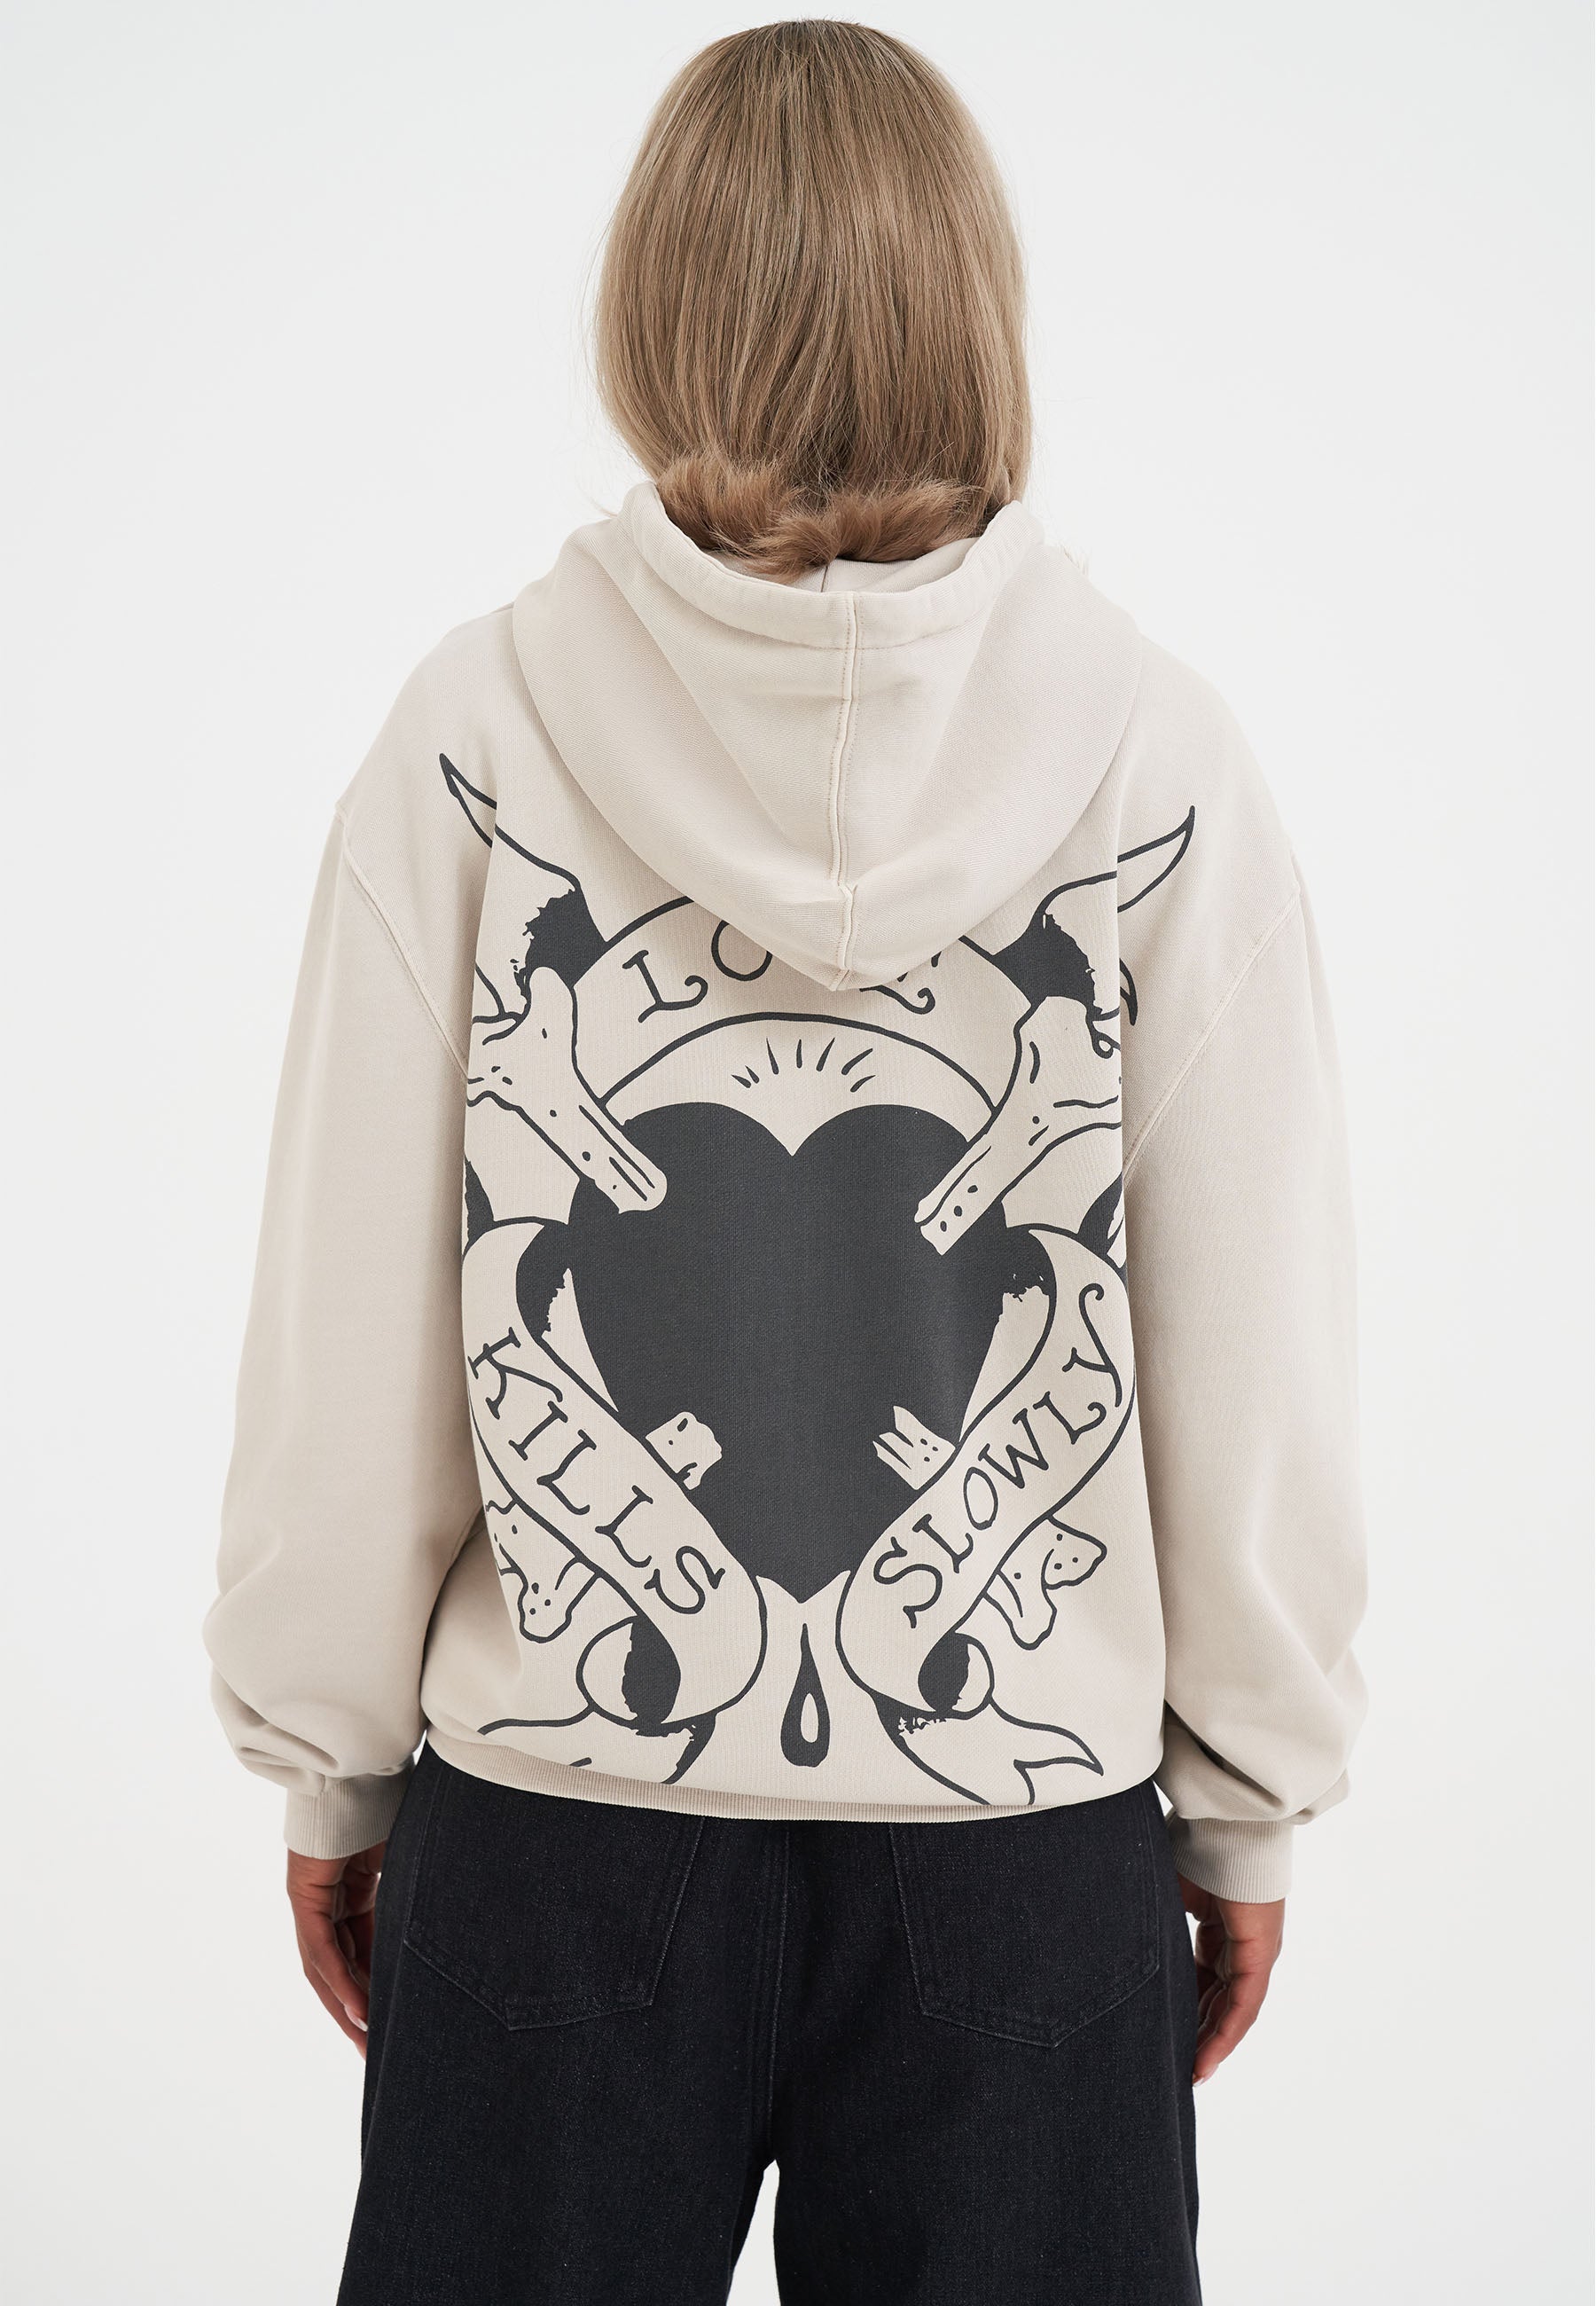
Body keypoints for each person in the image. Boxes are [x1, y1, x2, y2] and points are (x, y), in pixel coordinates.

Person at [205, 21, 1367, 2304]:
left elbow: (351, 1315)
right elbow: (1258, 1339)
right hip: (1017, 1816)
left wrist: (330, 1757)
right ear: (976, 309)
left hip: (564, 1802)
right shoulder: (1159, 761)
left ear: (655, 305)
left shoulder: (476, 735)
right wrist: (1246, 1792)